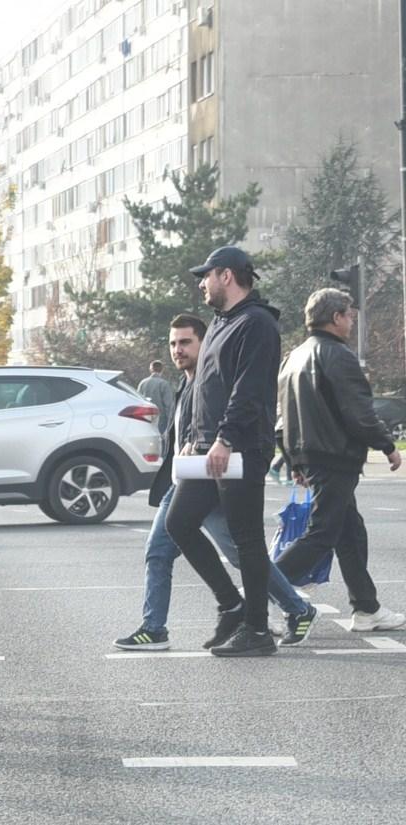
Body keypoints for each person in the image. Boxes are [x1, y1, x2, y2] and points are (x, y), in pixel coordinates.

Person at [113, 315, 316, 651]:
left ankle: (289, 608)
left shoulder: (208, 383)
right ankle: (156, 627)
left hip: (205, 480)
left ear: (204, 344)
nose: (178, 350)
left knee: (239, 554)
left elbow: (219, 424)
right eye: (173, 344)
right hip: (186, 478)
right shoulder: (185, 383)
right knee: (162, 553)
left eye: (185, 342)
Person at [164, 246, 282, 657]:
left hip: (240, 447)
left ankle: (258, 630)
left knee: (247, 538)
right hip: (207, 447)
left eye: (207, 275)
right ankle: (232, 605)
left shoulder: (257, 324)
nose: (202, 283)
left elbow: (249, 390)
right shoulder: (220, 322)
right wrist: (194, 435)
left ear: (227, 276)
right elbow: (205, 385)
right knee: (178, 523)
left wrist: (225, 437)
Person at [275, 288, 405, 632]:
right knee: (322, 533)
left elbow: (282, 417)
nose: (351, 322)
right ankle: (259, 593)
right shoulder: (338, 355)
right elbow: (358, 413)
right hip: (336, 456)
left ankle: (366, 607)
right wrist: (387, 445)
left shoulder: (295, 356)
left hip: (311, 455)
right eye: (349, 316)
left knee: (351, 533)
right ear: (335, 318)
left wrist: (294, 460)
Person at [137, 360, 175, 437]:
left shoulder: (142, 383)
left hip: (145, 420)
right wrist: (171, 423)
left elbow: (138, 402)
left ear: (150, 369)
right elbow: (169, 405)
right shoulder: (164, 384)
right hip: (161, 421)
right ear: (162, 369)